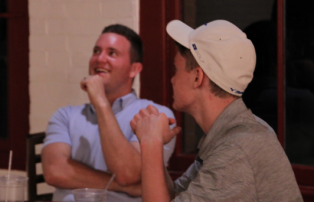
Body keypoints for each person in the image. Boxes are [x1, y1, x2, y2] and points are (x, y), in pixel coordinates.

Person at [131, 20, 302, 202]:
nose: (172, 79)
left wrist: (150, 143)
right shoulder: (230, 134)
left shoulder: (236, 150)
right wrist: (154, 145)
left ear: (197, 77)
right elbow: (176, 195)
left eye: (176, 69)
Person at [42, 24, 177, 202]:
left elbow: (127, 173)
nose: (99, 59)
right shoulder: (65, 116)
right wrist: (122, 187)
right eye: (96, 51)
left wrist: (100, 102)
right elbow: (54, 171)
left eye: (112, 53)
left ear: (134, 69)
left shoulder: (153, 116)